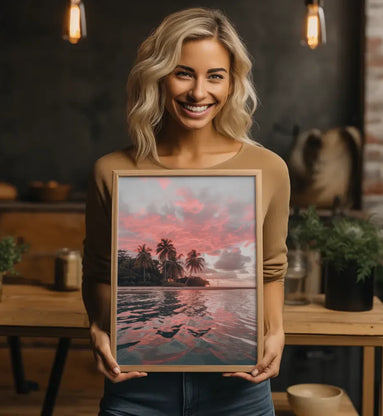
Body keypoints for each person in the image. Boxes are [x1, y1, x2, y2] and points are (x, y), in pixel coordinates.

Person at [82, 7, 290, 416]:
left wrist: (276, 332)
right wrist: (96, 327)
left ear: (232, 84)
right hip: (136, 390)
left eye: (215, 76)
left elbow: (270, 270)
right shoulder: (112, 170)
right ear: (158, 77)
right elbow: (98, 271)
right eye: (183, 73)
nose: (199, 93)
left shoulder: (269, 169)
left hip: (238, 392)